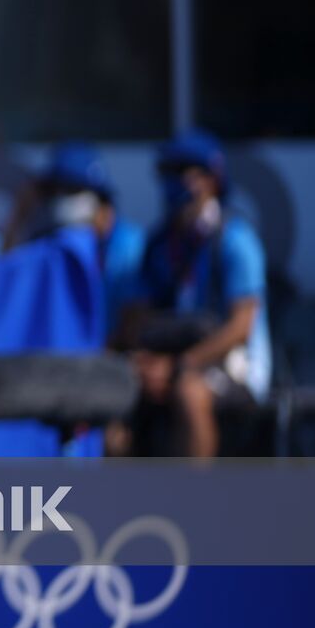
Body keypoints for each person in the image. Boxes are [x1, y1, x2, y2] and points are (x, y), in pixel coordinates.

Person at [118, 130, 271, 457]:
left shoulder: (235, 239)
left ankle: (193, 502)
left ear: (211, 179)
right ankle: (117, 501)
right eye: (166, 172)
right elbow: (136, 316)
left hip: (231, 367)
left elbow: (241, 328)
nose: (172, 182)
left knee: (189, 391)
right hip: (169, 360)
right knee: (115, 389)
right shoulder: (159, 243)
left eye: (181, 171)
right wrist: (148, 361)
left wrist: (179, 365)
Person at [15, 142, 145, 335]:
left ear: (101, 202)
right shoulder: (44, 244)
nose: (61, 198)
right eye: (54, 191)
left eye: (71, 190)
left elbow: (136, 316)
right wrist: (19, 214)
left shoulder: (130, 245)